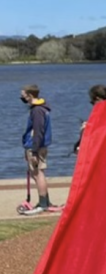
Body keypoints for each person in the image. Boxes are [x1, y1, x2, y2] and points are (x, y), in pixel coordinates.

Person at [20, 83, 54, 214]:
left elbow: (38, 131)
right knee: (37, 174)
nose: (22, 98)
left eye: (23, 96)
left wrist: (34, 151)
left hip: (36, 146)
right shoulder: (40, 109)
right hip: (38, 145)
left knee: (38, 173)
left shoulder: (37, 111)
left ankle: (43, 204)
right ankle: (45, 201)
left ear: (29, 95)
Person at [73, 84, 106, 155]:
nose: (93, 105)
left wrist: (85, 131)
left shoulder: (99, 119)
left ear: (98, 99)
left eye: (92, 102)